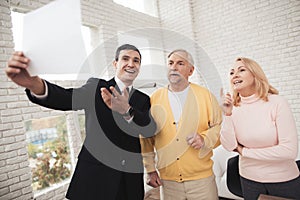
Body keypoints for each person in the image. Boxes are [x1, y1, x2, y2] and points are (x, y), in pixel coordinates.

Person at [5, 44, 157, 200]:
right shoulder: (97, 87)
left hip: (129, 180)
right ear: (115, 63)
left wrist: (127, 110)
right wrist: (35, 85)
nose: (131, 64)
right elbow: (66, 98)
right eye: (126, 59)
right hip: (95, 178)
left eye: (136, 61)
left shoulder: (143, 99)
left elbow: (149, 129)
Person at [140, 49, 222, 200]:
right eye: (170, 63)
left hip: (201, 181)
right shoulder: (154, 99)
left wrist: (204, 138)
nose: (174, 67)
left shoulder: (205, 96)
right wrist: (150, 169)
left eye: (180, 63)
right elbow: (146, 137)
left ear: (190, 70)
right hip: (168, 182)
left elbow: (219, 127)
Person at [220, 57, 300, 200]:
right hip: (249, 180)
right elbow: (229, 145)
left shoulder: (277, 103)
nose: (235, 75)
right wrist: (227, 114)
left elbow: (289, 151)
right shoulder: (233, 108)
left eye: (241, 70)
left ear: (255, 74)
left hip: (283, 180)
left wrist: (244, 151)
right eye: (231, 72)